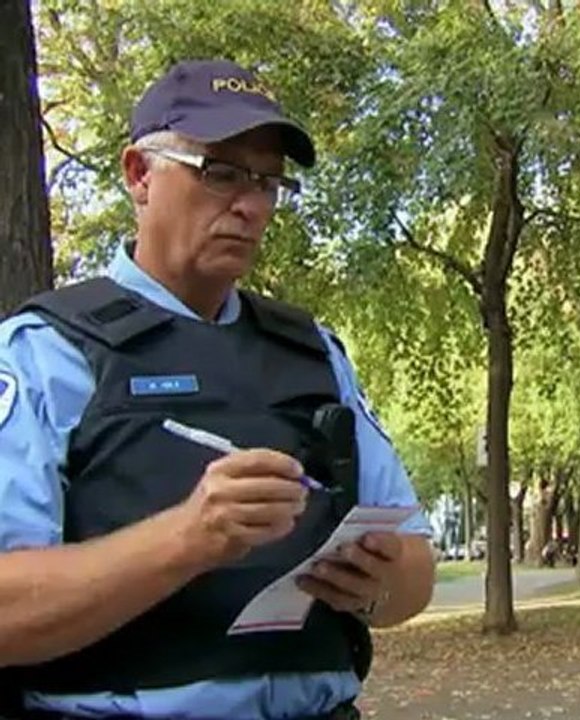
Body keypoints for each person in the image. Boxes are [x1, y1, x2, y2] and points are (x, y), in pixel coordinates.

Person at [0, 59, 436, 720]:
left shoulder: (314, 354)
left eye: (267, 181)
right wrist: (189, 539)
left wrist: (373, 583)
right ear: (139, 175)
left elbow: (416, 572)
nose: (250, 204)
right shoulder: (44, 354)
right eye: (221, 172)